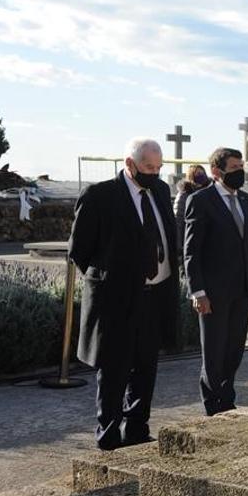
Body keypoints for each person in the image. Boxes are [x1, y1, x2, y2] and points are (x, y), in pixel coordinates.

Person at [68, 138, 179, 450]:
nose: (154, 173)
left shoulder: (160, 191)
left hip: (154, 297)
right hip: (116, 302)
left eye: (158, 168)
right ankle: (109, 435)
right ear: (129, 164)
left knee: (146, 367)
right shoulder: (100, 195)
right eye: (148, 167)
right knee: (115, 370)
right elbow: (80, 251)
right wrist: (109, 280)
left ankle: (138, 431)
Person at [184, 147, 248, 416]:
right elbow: (191, 251)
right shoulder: (201, 201)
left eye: (242, 167)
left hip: (242, 289)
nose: (239, 172)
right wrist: (198, 291)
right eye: (234, 167)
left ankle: (228, 400)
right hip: (213, 292)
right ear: (216, 171)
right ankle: (212, 404)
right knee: (214, 350)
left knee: (235, 348)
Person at [174, 165, 209, 250]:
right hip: (189, 238)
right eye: (198, 173)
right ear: (191, 175)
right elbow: (178, 220)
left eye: (203, 173)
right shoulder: (184, 194)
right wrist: (178, 246)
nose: (201, 175)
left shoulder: (208, 193)